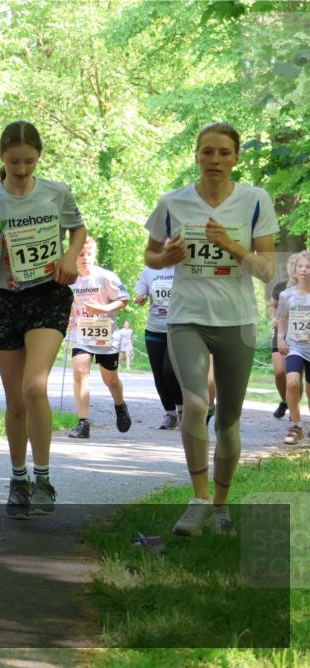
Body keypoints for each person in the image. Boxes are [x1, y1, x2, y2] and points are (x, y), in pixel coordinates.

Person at [144, 122, 278, 536]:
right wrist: (167, 257)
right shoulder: (173, 202)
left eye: (223, 152)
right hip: (186, 318)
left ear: (236, 158)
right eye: (207, 152)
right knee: (196, 405)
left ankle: (221, 506)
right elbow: (149, 257)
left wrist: (234, 247)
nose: (215, 160)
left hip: (236, 321)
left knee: (229, 422)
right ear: (196, 155)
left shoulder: (255, 201)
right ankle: (198, 500)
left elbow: (267, 270)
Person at [0, 120, 86, 519]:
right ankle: (18, 480)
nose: (21, 169)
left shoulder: (56, 193)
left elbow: (79, 230)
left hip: (47, 295)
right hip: (5, 300)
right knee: (16, 400)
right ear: (1, 156)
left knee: (36, 386)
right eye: (14, 162)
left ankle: (44, 478)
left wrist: (70, 257)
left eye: (29, 162)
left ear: (39, 158)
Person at [67, 237, 132, 438]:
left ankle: (120, 406)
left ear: (93, 255)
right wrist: (68, 317)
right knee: (80, 371)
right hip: (82, 334)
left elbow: (124, 298)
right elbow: (66, 304)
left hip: (105, 335)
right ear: (74, 256)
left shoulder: (105, 276)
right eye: (80, 254)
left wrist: (103, 308)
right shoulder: (69, 279)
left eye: (88, 254)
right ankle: (83, 423)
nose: (85, 258)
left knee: (110, 380)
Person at [134, 266, 183, 429]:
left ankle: (182, 410)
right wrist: (140, 299)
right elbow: (140, 297)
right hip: (154, 328)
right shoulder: (149, 271)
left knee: (169, 370)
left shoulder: (182, 268)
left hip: (178, 328)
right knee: (158, 374)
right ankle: (170, 414)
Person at [277, 251, 310, 444]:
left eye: (308, 267)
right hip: (295, 346)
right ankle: (295, 426)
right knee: (292, 383)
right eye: (301, 266)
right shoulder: (286, 295)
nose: (304, 270)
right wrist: (281, 339)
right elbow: (283, 320)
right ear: (295, 270)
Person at [269, 254, 300, 419]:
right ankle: (286, 401)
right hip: (281, 332)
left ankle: (295, 409)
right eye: (291, 264)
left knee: (295, 375)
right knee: (280, 373)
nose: (293, 267)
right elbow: (272, 305)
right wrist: (273, 318)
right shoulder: (280, 286)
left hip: (301, 335)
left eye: (297, 264)